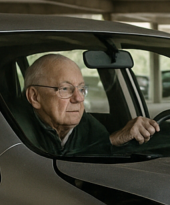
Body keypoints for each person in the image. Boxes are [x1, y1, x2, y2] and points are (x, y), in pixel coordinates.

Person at [24, 53, 159, 155]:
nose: (79, 98)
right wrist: (111, 141)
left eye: (81, 89)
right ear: (35, 97)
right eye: (65, 88)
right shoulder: (17, 133)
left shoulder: (88, 125)